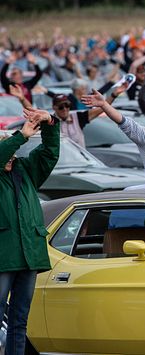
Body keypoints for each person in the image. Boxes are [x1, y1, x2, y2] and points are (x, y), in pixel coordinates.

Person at [0, 108, 59, 355]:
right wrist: (20, 135)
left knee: (19, 320)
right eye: (8, 148)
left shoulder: (25, 169)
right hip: (4, 256)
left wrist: (50, 123)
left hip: (28, 256)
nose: (12, 153)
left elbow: (49, 153)